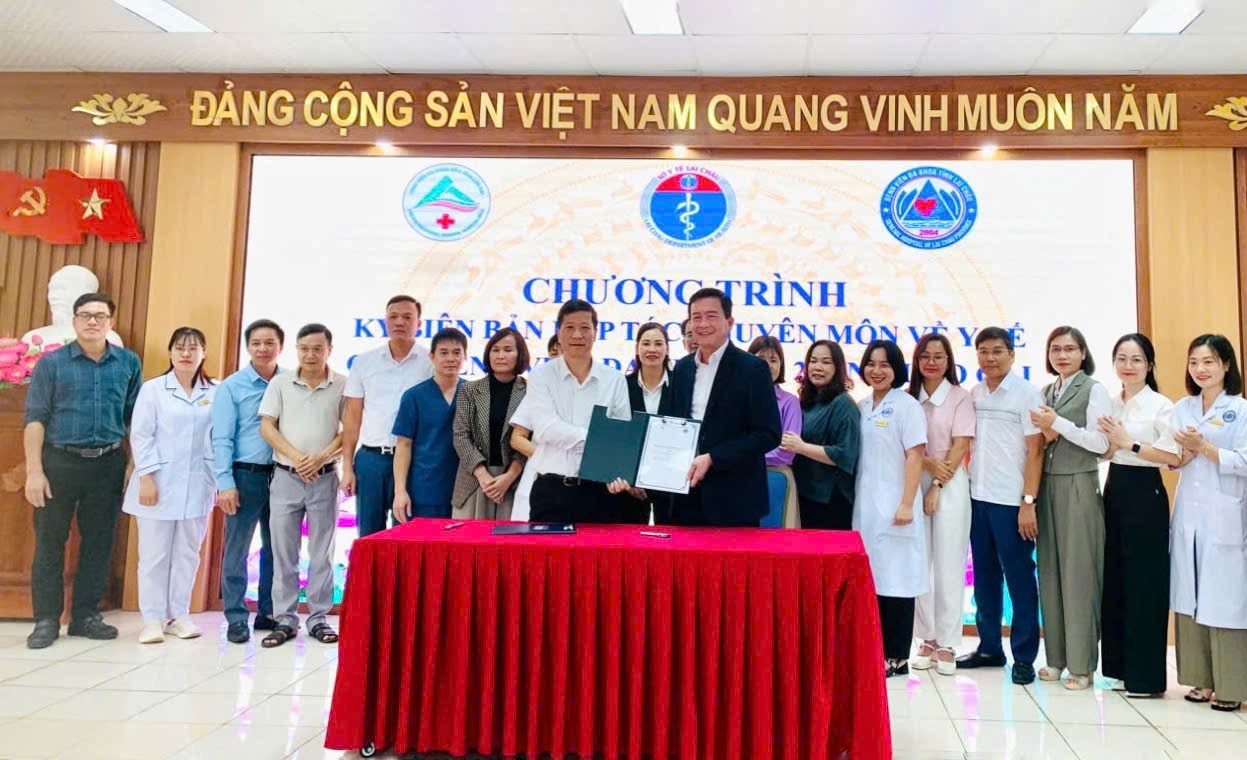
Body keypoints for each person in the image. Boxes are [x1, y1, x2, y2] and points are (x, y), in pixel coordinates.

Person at [23, 291, 142, 649]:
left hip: (107, 463)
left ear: (110, 322)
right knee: (49, 542)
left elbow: (135, 419)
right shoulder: (52, 364)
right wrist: (34, 471)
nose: (93, 321)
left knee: (99, 542)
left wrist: (133, 464)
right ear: (74, 321)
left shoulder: (127, 362)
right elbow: (35, 419)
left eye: (100, 316)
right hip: (59, 462)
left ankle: (85, 616)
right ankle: (46, 619)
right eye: (85, 315)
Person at [957, 327, 1043, 686]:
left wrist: (1028, 502)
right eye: (983, 351)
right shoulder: (975, 394)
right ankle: (990, 647)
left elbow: (1036, 451)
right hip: (979, 499)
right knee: (985, 579)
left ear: (1011, 354)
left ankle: (1024, 656)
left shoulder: (1026, 394)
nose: (989, 358)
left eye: (997, 351)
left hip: (1012, 502)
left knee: (1020, 579)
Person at [1095, 333, 1181, 697]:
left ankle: (1145, 678)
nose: (1128, 366)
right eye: (1122, 359)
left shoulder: (1162, 405)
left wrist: (1126, 441)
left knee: (1145, 583)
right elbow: (1105, 451)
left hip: (1146, 492)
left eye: (1136, 359)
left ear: (1149, 365)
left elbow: (1173, 457)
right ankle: (1119, 669)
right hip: (1114, 487)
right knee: (1115, 577)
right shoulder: (1111, 403)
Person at [1029, 325, 1111, 691]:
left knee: (1079, 575)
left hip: (1079, 482)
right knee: (1049, 573)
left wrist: (1057, 424)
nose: (1062, 355)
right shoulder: (1047, 391)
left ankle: (1082, 665)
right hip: (1047, 484)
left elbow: (1100, 443)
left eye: (1070, 349)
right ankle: (1056, 659)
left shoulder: (1094, 390)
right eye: (1055, 349)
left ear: (1083, 353)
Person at [1169, 334, 1247, 713]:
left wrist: (1206, 448)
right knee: (1191, 593)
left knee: (1226, 598)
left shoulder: (1241, 409)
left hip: (1225, 512)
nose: (1200, 369)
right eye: (1194, 362)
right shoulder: (1182, 408)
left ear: (1226, 365)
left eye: (1209, 361)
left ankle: (1232, 685)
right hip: (1190, 513)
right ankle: (1200, 679)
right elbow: (1174, 457)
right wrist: (1185, 451)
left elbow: (1244, 460)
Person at [124, 327, 216, 644]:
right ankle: (152, 619)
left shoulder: (216, 391)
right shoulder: (154, 389)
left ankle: (179, 615)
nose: (186, 354)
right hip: (156, 484)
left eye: (193, 348)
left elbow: (218, 437)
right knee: (154, 555)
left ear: (204, 352)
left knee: (188, 553)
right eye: (179, 348)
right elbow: (141, 435)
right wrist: (147, 476)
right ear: (170, 352)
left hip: (198, 484)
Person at [258, 323, 345, 648]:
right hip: (285, 477)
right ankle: (285, 619)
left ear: (329, 350)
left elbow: (349, 431)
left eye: (317, 349)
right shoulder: (280, 383)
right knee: (283, 552)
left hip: (325, 478)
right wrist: (297, 459)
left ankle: (319, 618)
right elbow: (267, 427)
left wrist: (320, 458)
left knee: (322, 552)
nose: (310, 355)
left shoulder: (342, 385)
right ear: (297, 350)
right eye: (304, 348)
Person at [514, 299, 634, 524]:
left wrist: (617, 468)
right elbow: (547, 429)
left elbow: (621, 436)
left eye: (585, 327)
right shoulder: (540, 377)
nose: (577, 335)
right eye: (569, 327)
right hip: (552, 491)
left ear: (596, 333)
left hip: (601, 492)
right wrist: (597, 441)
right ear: (559, 333)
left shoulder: (615, 380)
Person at [669, 288, 780, 527]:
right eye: (696, 317)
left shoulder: (753, 369)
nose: (703, 324)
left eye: (711, 316)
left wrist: (713, 458)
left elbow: (768, 434)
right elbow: (675, 424)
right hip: (686, 496)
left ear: (729, 322)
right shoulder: (682, 368)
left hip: (735, 498)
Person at [854, 339, 928, 677]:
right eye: (871, 364)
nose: (877, 370)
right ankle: (875, 651)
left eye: (884, 364)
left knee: (898, 581)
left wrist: (907, 503)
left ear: (896, 368)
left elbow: (915, 455)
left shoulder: (907, 406)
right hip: (866, 508)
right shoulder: (863, 406)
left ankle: (897, 656)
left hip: (898, 507)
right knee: (874, 580)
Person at [907, 333, 975, 676]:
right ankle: (926, 638)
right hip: (913, 481)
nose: (931, 362)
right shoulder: (908, 399)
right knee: (919, 563)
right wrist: (927, 467)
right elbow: (904, 445)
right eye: (925, 356)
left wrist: (936, 483)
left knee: (949, 562)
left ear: (949, 361)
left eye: (939, 356)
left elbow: (960, 446)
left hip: (950, 484)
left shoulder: (961, 398)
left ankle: (947, 642)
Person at [212, 318, 284, 644]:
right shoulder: (232, 386)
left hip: (283, 476)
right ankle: (236, 617)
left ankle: (269, 612)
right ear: (248, 347)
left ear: (280, 346)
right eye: (256, 343)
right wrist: (225, 482)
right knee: (237, 548)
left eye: (269, 343)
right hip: (245, 475)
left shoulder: (290, 382)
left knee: (277, 548)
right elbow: (221, 438)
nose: (263, 348)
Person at [340, 295, 433, 538]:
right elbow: (352, 419)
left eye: (407, 317)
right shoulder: (364, 362)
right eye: (394, 316)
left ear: (419, 323)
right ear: (385, 321)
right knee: (369, 535)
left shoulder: (431, 363)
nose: (400, 322)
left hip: (414, 460)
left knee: (407, 534)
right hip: (371, 460)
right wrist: (347, 467)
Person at [450, 328, 529, 521]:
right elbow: (460, 436)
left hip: (513, 481)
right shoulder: (469, 390)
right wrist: (482, 475)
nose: (500, 355)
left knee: (510, 538)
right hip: (474, 479)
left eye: (508, 350)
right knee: (468, 538)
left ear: (520, 354)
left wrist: (510, 476)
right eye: (495, 349)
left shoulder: (530, 391)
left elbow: (532, 439)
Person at [781, 340, 858, 530]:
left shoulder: (843, 404)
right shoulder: (807, 400)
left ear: (837, 367)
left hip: (829, 501)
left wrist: (801, 447)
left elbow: (845, 454)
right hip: (804, 493)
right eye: (813, 361)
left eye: (826, 362)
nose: (818, 367)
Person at [392, 328, 468, 522]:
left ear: (465, 357)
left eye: (456, 352)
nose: (450, 358)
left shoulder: (473, 394)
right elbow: (403, 445)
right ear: (432, 357)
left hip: (465, 492)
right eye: (444, 352)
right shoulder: (414, 396)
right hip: (424, 490)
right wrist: (400, 491)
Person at [623, 322, 675, 524]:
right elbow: (619, 437)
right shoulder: (622, 386)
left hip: (671, 483)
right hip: (631, 487)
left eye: (658, 344)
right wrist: (629, 476)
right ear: (637, 348)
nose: (652, 349)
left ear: (667, 349)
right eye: (646, 343)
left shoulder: (681, 385)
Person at [748, 335, 802, 528]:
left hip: (776, 480)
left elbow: (786, 453)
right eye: (761, 358)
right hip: (741, 479)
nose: (768, 365)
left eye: (773, 360)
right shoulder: (737, 397)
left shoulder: (790, 402)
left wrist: (745, 456)